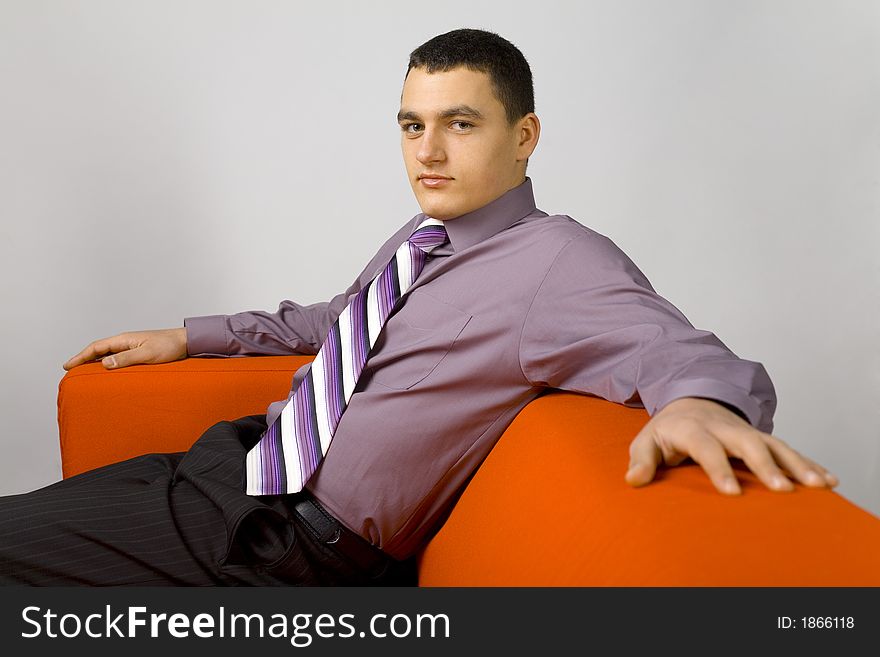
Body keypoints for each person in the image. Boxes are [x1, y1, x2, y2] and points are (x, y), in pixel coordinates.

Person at [1, 28, 837, 586]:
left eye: (460, 124)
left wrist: (698, 401)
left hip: (284, 543)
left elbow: (678, 348)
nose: (427, 152)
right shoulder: (427, 233)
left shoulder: (560, 263)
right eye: (411, 125)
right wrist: (188, 336)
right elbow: (341, 320)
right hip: (234, 466)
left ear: (525, 136)